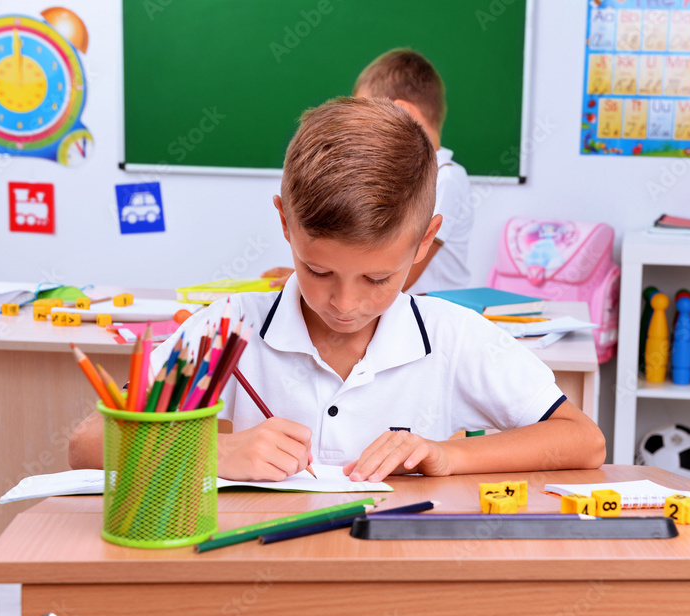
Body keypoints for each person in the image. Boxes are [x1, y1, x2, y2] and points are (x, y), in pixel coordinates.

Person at [69, 97, 604, 482]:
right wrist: (215, 451)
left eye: (377, 278)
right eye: (317, 270)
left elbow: (584, 440)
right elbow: (87, 442)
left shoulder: (452, 337)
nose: (344, 304)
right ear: (285, 224)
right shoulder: (230, 327)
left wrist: (448, 455)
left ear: (424, 242)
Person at [262, 48, 472, 294]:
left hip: (434, 312)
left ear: (404, 112)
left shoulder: (447, 177)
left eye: (368, 112)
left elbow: (401, 277)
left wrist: (309, 281)